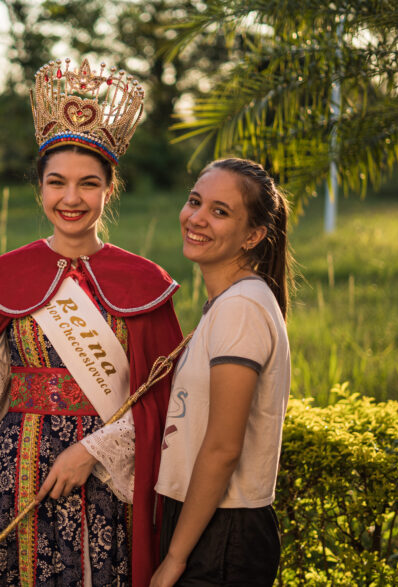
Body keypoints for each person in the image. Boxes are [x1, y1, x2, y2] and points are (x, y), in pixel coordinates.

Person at [0, 58, 184, 586]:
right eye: (57, 182)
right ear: (39, 187)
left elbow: (165, 398)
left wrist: (94, 450)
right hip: (16, 470)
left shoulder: (142, 283)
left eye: (88, 184)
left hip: (108, 477)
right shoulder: (5, 278)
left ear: (110, 188)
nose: (71, 199)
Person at [151, 158, 293, 587]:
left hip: (223, 534)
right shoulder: (233, 302)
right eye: (195, 201)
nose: (196, 218)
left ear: (253, 236)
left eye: (220, 211)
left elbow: (223, 448)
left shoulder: (241, 309)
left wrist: (175, 558)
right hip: (207, 520)